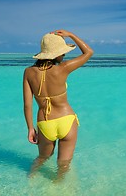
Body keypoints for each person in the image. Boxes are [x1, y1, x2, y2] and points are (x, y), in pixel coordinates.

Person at [23, 29, 93, 180]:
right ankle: (58, 186)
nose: (64, 55)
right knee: (64, 164)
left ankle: (30, 180)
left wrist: (30, 128)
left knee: (42, 158)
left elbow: (27, 105)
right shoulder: (63, 68)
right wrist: (72, 35)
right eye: (62, 52)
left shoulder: (28, 72)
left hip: (45, 122)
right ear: (56, 54)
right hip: (66, 119)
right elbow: (88, 52)